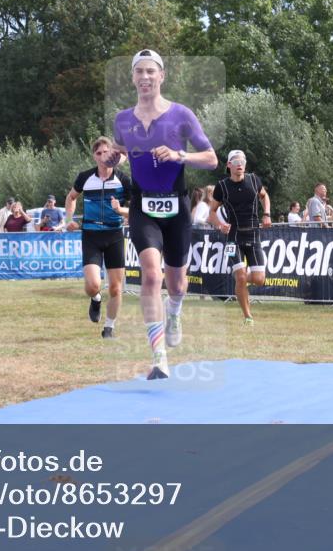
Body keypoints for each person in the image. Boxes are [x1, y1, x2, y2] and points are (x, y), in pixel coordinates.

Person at [110, 49, 218, 379]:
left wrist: (178, 154)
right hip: (143, 205)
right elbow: (122, 151)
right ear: (132, 78)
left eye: (150, 72)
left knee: (177, 283)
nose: (144, 77)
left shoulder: (181, 114)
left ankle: (175, 312)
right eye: (139, 72)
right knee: (152, 276)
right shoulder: (122, 119)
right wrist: (117, 160)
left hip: (176, 205)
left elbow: (212, 158)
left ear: (161, 76)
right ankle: (159, 358)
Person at [64, 135, 132, 338]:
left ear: (113, 154)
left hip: (114, 235)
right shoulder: (85, 177)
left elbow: (136, 208)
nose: (103, 156)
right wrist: (69, 219)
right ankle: (95, 299)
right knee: (93, 284)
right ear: (94, 156)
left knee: (115, 287)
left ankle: (109, 327)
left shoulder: (123, 179)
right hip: (91, 235)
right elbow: (71, 197)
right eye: (99, 153)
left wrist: (122, 210)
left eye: (106, 152)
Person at [207, 150, 271, 325]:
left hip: (253, 234)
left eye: (242, 160)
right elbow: (211, 213)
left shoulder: (253, 180)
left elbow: (265, 197)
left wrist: (266, 214)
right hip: (233, 237)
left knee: (259, 279)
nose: (239, 164)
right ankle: (248, 316)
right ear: (229, 165)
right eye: (235, 161)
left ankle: (239, 280)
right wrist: (220, 225)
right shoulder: (222, 186)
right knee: (241, 277)